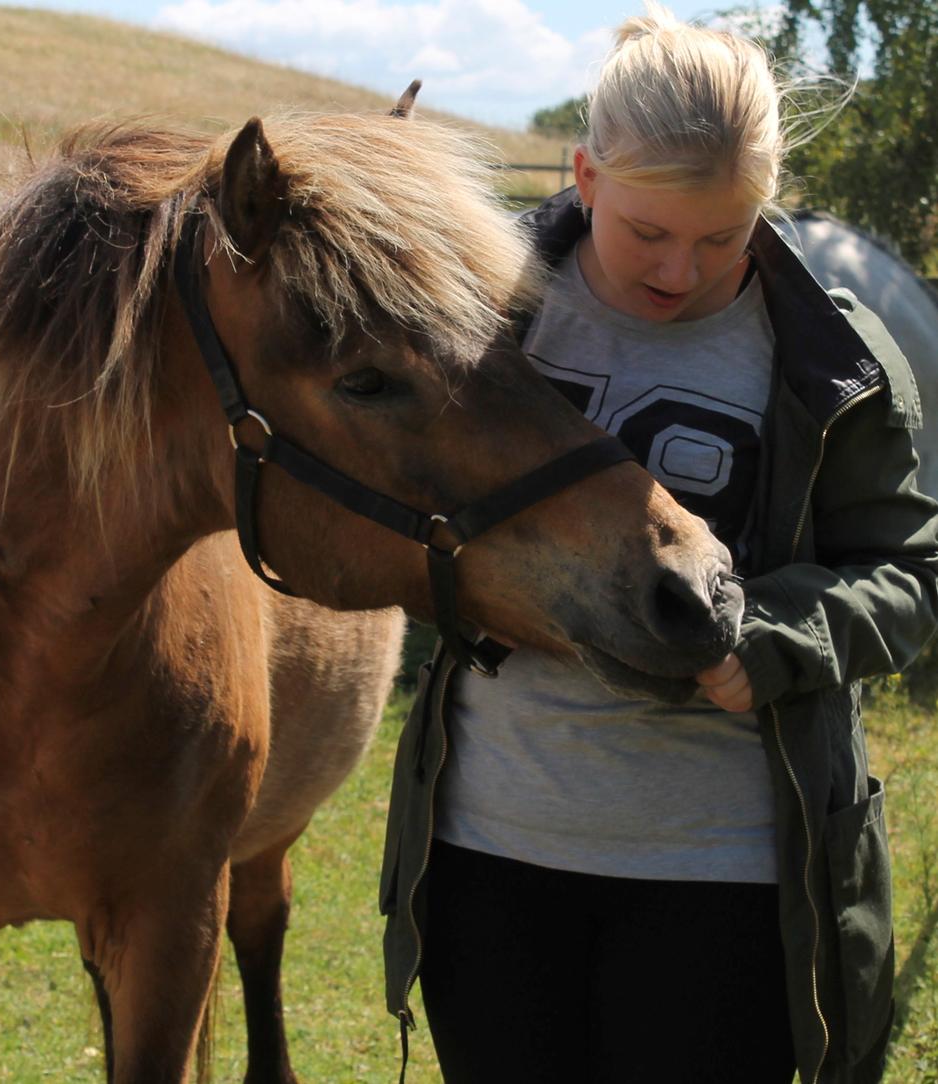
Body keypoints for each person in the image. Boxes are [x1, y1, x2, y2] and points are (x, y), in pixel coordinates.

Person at [379, 5, 938, 1083]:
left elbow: (914, 575)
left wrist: (767, 636)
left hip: (727, 876)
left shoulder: (835, 363)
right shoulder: (479, 324)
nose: (683, 270)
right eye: (648, 232)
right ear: (584, 178)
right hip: (490, 855)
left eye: (723, 236)